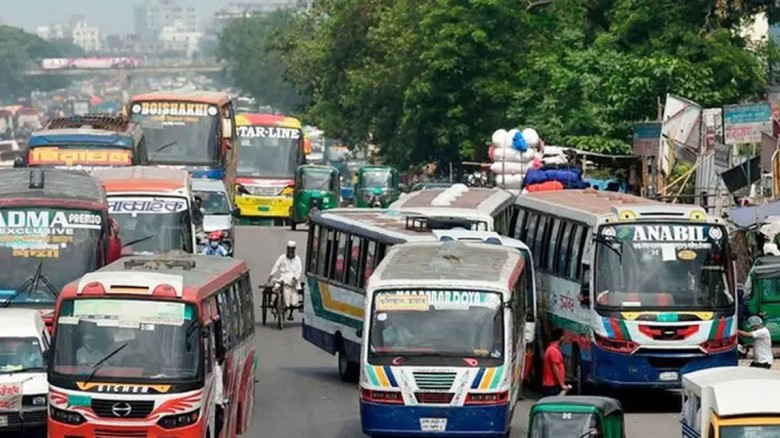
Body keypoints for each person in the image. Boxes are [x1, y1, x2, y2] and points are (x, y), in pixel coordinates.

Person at [269, 241, 303, 321]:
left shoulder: (297, 259)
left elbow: (299, 270)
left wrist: (295, 278)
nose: (290, 251)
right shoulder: (282, 257)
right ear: (287, 249)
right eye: (289, 249)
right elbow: (276, 266)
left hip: (293, 279)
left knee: (293, 297)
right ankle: (277, 302)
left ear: (294, 250)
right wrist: (271, 274)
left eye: (292, 250)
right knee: (277, 287)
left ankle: (290, 312)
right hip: (284, 277)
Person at [541, 328, 571, 396]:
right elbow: (555, 368)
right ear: (561, 338)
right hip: (552, 385)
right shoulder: (553, 351)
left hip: (552, 385)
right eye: (564, 336)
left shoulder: (552, 349)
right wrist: (562, 384)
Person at [214, 351, 227, 436]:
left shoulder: (216, 368)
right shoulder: (216, 369)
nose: (224, 359)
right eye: (223, 356)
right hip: (216, 406)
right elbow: (218, 390)